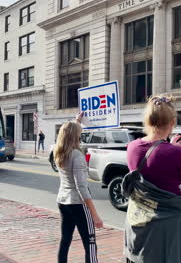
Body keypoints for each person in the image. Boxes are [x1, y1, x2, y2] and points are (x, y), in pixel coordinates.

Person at [124, 96, 181, 263]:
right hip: (168, 228)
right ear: (172, 122)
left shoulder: (132, 146)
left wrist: (170, 148)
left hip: (139, 222)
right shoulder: (176, 154)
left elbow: (153, 165)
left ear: (148, 120)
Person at [55, 112, 103, 263]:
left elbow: (70, 130)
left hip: (63, 201)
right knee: (90, 243)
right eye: (78, 134)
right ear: (75, 136)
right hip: (78, 203)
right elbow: (81, 187)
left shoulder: (59, 152)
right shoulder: (76, 155)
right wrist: (94, 214)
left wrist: (77, 121)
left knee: (65, 239)